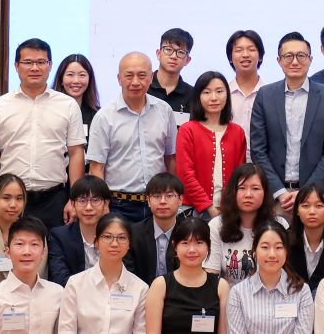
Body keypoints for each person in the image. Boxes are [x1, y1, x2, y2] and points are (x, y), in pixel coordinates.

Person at [0, 39, 86, 232]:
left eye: (41, 62)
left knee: (53, 256)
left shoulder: (68, 105)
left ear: (50, 66)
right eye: (28, 62)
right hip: (11, 200)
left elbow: (76, 153)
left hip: (54, 200)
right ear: (17, 66)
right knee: (9, 257)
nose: (35, 68)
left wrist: (74, 199)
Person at [249, 32, 324, 216]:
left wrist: (306, 192)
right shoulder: (265, 95)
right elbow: (258, 150)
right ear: (279, 60)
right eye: (288, 56)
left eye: (301, 56)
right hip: (276, 198)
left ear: (310, 59)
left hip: (316, 198)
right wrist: (279, 191)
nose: (295, 62)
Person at [86, 52, 178, 227]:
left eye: (142, 75)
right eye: (129, 75)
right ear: (119, 79)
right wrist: (103, 205)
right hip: (119, 205)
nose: (135, 82)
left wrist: (174, 197)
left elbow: (170, 157)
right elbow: (96, 168)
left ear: (151, 77)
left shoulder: (164, 111)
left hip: (159, 202)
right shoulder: (104, 117)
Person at [175, 70, 246, 218]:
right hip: (194, 210)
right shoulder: (187, 130)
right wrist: (209, 207)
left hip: (229, 211)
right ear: (198, 97)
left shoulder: (237, 132)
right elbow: (185, 174)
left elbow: (240, 175)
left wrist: (229, 207)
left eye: (219, 91)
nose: (214, 97)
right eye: (206, 92)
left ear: (227, 94)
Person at [207, 161, 282, 285]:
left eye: (255, 188)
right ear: (233, 192)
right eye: (242, 188)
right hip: (229, 300)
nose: (248, 195)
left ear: (265, 192)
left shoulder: (279, 224)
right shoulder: (216, 225)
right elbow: (211, 277)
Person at [0, 174, 48, 286]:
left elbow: (40, 276)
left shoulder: (36, 234)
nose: (13, 204)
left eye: (19, 198)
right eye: (6, 198)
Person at [45, 175, 111, 285]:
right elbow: (60, 279)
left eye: (95, 200)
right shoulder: (59, 236)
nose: (88, 207)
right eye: (82, 200)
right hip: (72, 298)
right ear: (72, 204)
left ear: (106, 204)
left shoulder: (117, 236)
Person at [122, 173, 186, 284]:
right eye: (156, 196)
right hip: (142, 294)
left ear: (180, 199)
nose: (162, 201)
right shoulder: (133, 233)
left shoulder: (188, 233)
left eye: (169, 196)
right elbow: (129, 274)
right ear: (148, 200)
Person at [288, 180, 324, 287]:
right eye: (305, 205)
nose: (312, 212)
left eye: (319, 206)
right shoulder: (285, 241)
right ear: (297, 211)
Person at [149, 28, 195, 118]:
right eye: (168, 50)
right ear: (158, 54)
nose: (173, 56)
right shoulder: (143, 88)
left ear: (187, 60)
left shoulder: (193, 95)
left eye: (181, 52)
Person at [226, 30, 266, 126]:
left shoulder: (270, 95)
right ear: (230, 58)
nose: (245, 55)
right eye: (239, 50)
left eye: (251, 50)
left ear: (260, 56)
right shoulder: (223, 94)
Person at [55, 53, 100, 132]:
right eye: (70, 75)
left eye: (82, 75)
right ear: (61, 79)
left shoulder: (98, 115)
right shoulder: (49, 111)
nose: (76, 81)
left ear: (89, 80)